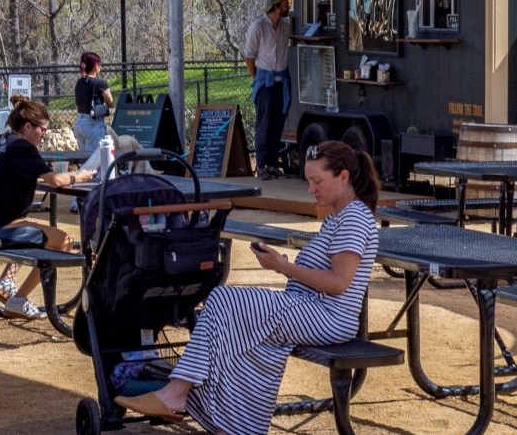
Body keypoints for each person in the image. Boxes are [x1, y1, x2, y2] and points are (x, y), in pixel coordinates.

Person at [115, 139, 379, 433]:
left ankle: (179, 393)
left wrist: (283, 267)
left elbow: (339, 283)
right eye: (309, 181)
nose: (311, 189)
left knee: (224, 301)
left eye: (317, 181)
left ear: (343, 176)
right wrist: (284, 264)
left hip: (329, 318)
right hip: (310, 310)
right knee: (228, 319)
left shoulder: (354, 217)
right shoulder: (339, 216)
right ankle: (225, 420)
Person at [0, 97, 95, 320]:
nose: (44, 134)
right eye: (42, 129)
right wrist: (79, 176)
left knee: (31, 227)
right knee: (64, 242)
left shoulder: (1, 141)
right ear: (27, 127)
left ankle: (7, 280)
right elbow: (56, 181)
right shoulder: (22, 147)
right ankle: (18, 300)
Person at [243, 0, 292, 179]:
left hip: (282, 79)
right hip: (265, 80)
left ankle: (272, 164)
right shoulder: (258, 27)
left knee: (277, 124)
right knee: (263, 124)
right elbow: (249, 56)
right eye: (285, 5)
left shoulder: (285, 27)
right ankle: (261, 165)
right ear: (276, 7)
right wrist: (257, 79)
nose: (288, 7)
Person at [75, 53, 114, 149]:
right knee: (95, 159)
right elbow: (110, 102)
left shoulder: (79, 82)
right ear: (96, 66)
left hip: (79, 122)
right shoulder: (100, 83)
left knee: (84, 159)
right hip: (93, 123)